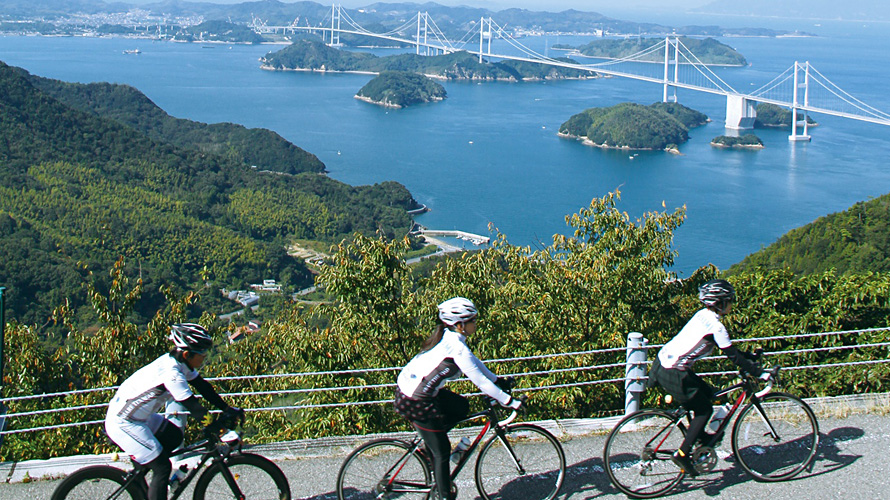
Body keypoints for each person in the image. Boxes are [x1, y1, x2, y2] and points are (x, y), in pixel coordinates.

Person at [394, 297, 523, 500]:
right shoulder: (457, 348)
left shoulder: (452, 338)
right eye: (473, 320)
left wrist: (498, 381)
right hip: (414, 400)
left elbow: (475, 363)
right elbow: (480, 382)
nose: (476, 324)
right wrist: (509, 401)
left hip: (417, 391)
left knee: (461, 406)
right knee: (443, 452)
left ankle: (430, 444)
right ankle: (444, 495)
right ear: (460, 325)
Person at [105, 323, 243, 500]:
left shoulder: (180, 362)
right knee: (162, 467)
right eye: (202, 354)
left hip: (139, 417)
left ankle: (146, 478)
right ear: (187, 354)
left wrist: (227, 408)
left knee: (174, 436)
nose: (204, 357)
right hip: (124, 423)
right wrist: (221, 431)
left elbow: (203, 387)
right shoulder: (172, 374)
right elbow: (194, 407)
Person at [648, 279, 768, 476]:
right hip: (675, 371)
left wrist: (749, 358)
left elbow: (731, 350)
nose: (732, 303)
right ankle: (682, 454)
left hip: (663, 362)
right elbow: (733, 356)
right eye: (729, 300)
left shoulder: (703, 315)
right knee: (704, 410)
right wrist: (759, 372)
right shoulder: (717, 327)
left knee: (710, 393)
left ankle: (701, 438)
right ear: (719, 303)